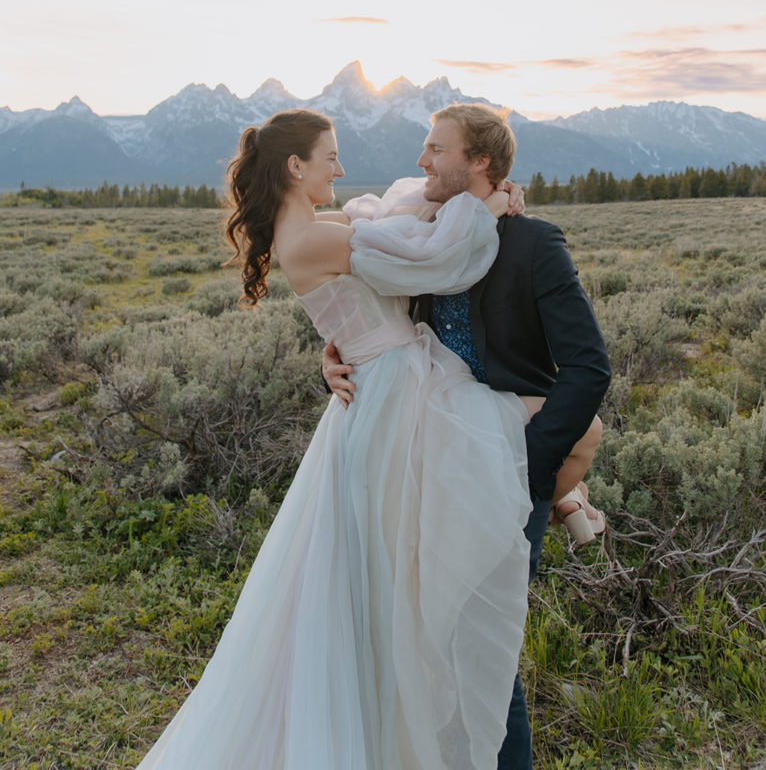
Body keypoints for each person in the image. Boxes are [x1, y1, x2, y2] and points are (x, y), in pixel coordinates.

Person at [134, 108, 542, 770]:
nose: (342, 170)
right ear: (297, 167)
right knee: (405, 571)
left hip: (389, 386)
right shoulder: (313, 241)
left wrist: (474, 198)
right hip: (390, 399)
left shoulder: (317, 230)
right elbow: (429, 256)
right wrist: (485, 206)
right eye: (331, 158)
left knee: (392, 574)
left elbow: (393, 218)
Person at [323, 103, 612, 770]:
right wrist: (336, 356)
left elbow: (589, 366)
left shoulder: (533, 243)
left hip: (504, 467)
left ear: (479, 162)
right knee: (426, 636)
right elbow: (385, 335)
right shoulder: (423, 234)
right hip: (426, 462)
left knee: (481, 644)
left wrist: (530, 471)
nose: (421, 161)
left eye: (435, 149)